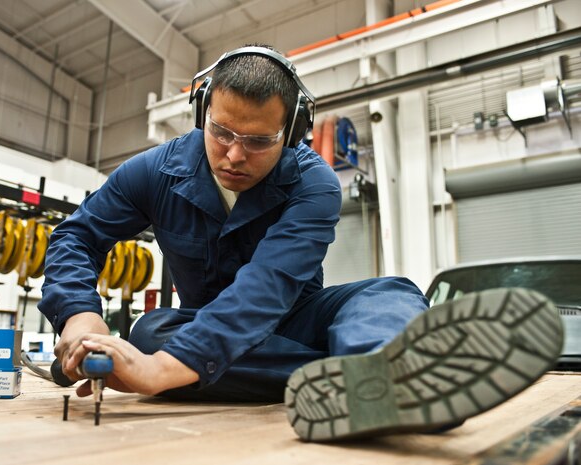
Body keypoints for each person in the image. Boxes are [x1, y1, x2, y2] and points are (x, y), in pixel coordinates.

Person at [38, 44, 564, 442]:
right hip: (201, 322)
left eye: (259, 141)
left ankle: (381, 365)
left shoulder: (312, 182)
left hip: (298, 316)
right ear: (203, 112)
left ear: (291, 134)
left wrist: (158, 374)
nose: (235, 155)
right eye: (221, 132)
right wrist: (80, 318)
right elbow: (76, 237)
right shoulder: (153, 171)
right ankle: (382, 381)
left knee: (388, 292)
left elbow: (265, 290)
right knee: (154, 329)